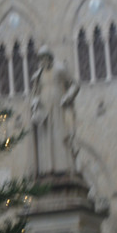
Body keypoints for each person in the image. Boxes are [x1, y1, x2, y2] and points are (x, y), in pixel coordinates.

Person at [29, 46, 80, 177]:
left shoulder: (60, 69)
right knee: (46, 138)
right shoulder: (38, 75)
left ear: (49, 58)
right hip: (44, 110)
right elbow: (35, 93)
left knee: (61, 136)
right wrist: (35, 101)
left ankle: (64, 168)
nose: (42, 62)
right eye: (40, 60)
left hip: (59, 107)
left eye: (44, 59)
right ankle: (47, 169)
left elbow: (75, 84)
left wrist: (68, 96)